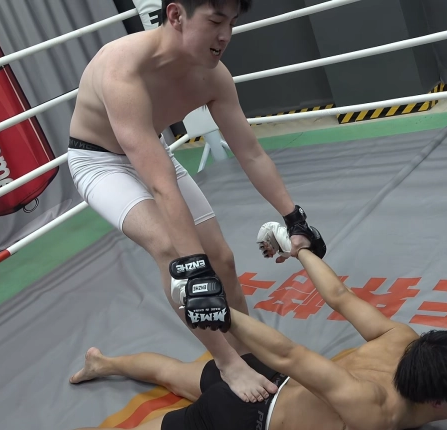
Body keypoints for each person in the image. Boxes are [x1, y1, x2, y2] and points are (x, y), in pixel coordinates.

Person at [0, 222, 447, 430]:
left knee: (173, 372)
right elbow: (293, 354)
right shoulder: (376, 410)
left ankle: (104, 363)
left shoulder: (404, 339)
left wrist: (297, 248)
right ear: (438, 401)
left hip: (263, 375)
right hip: (246, 416)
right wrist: (223, 315)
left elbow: (340, 296)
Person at [64, 0, 326, 403]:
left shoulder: (213, 77)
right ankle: (228, 362)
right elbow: (161, 186)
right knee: (173, 253)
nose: (226, 35)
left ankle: (249, 348)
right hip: (100, 162)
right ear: (175, 16)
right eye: (216, 21)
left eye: (232, 23)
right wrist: (193, 267)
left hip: (150, 151)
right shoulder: (123, 67)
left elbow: (252, 153)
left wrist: (294, 218)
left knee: (221, 258)